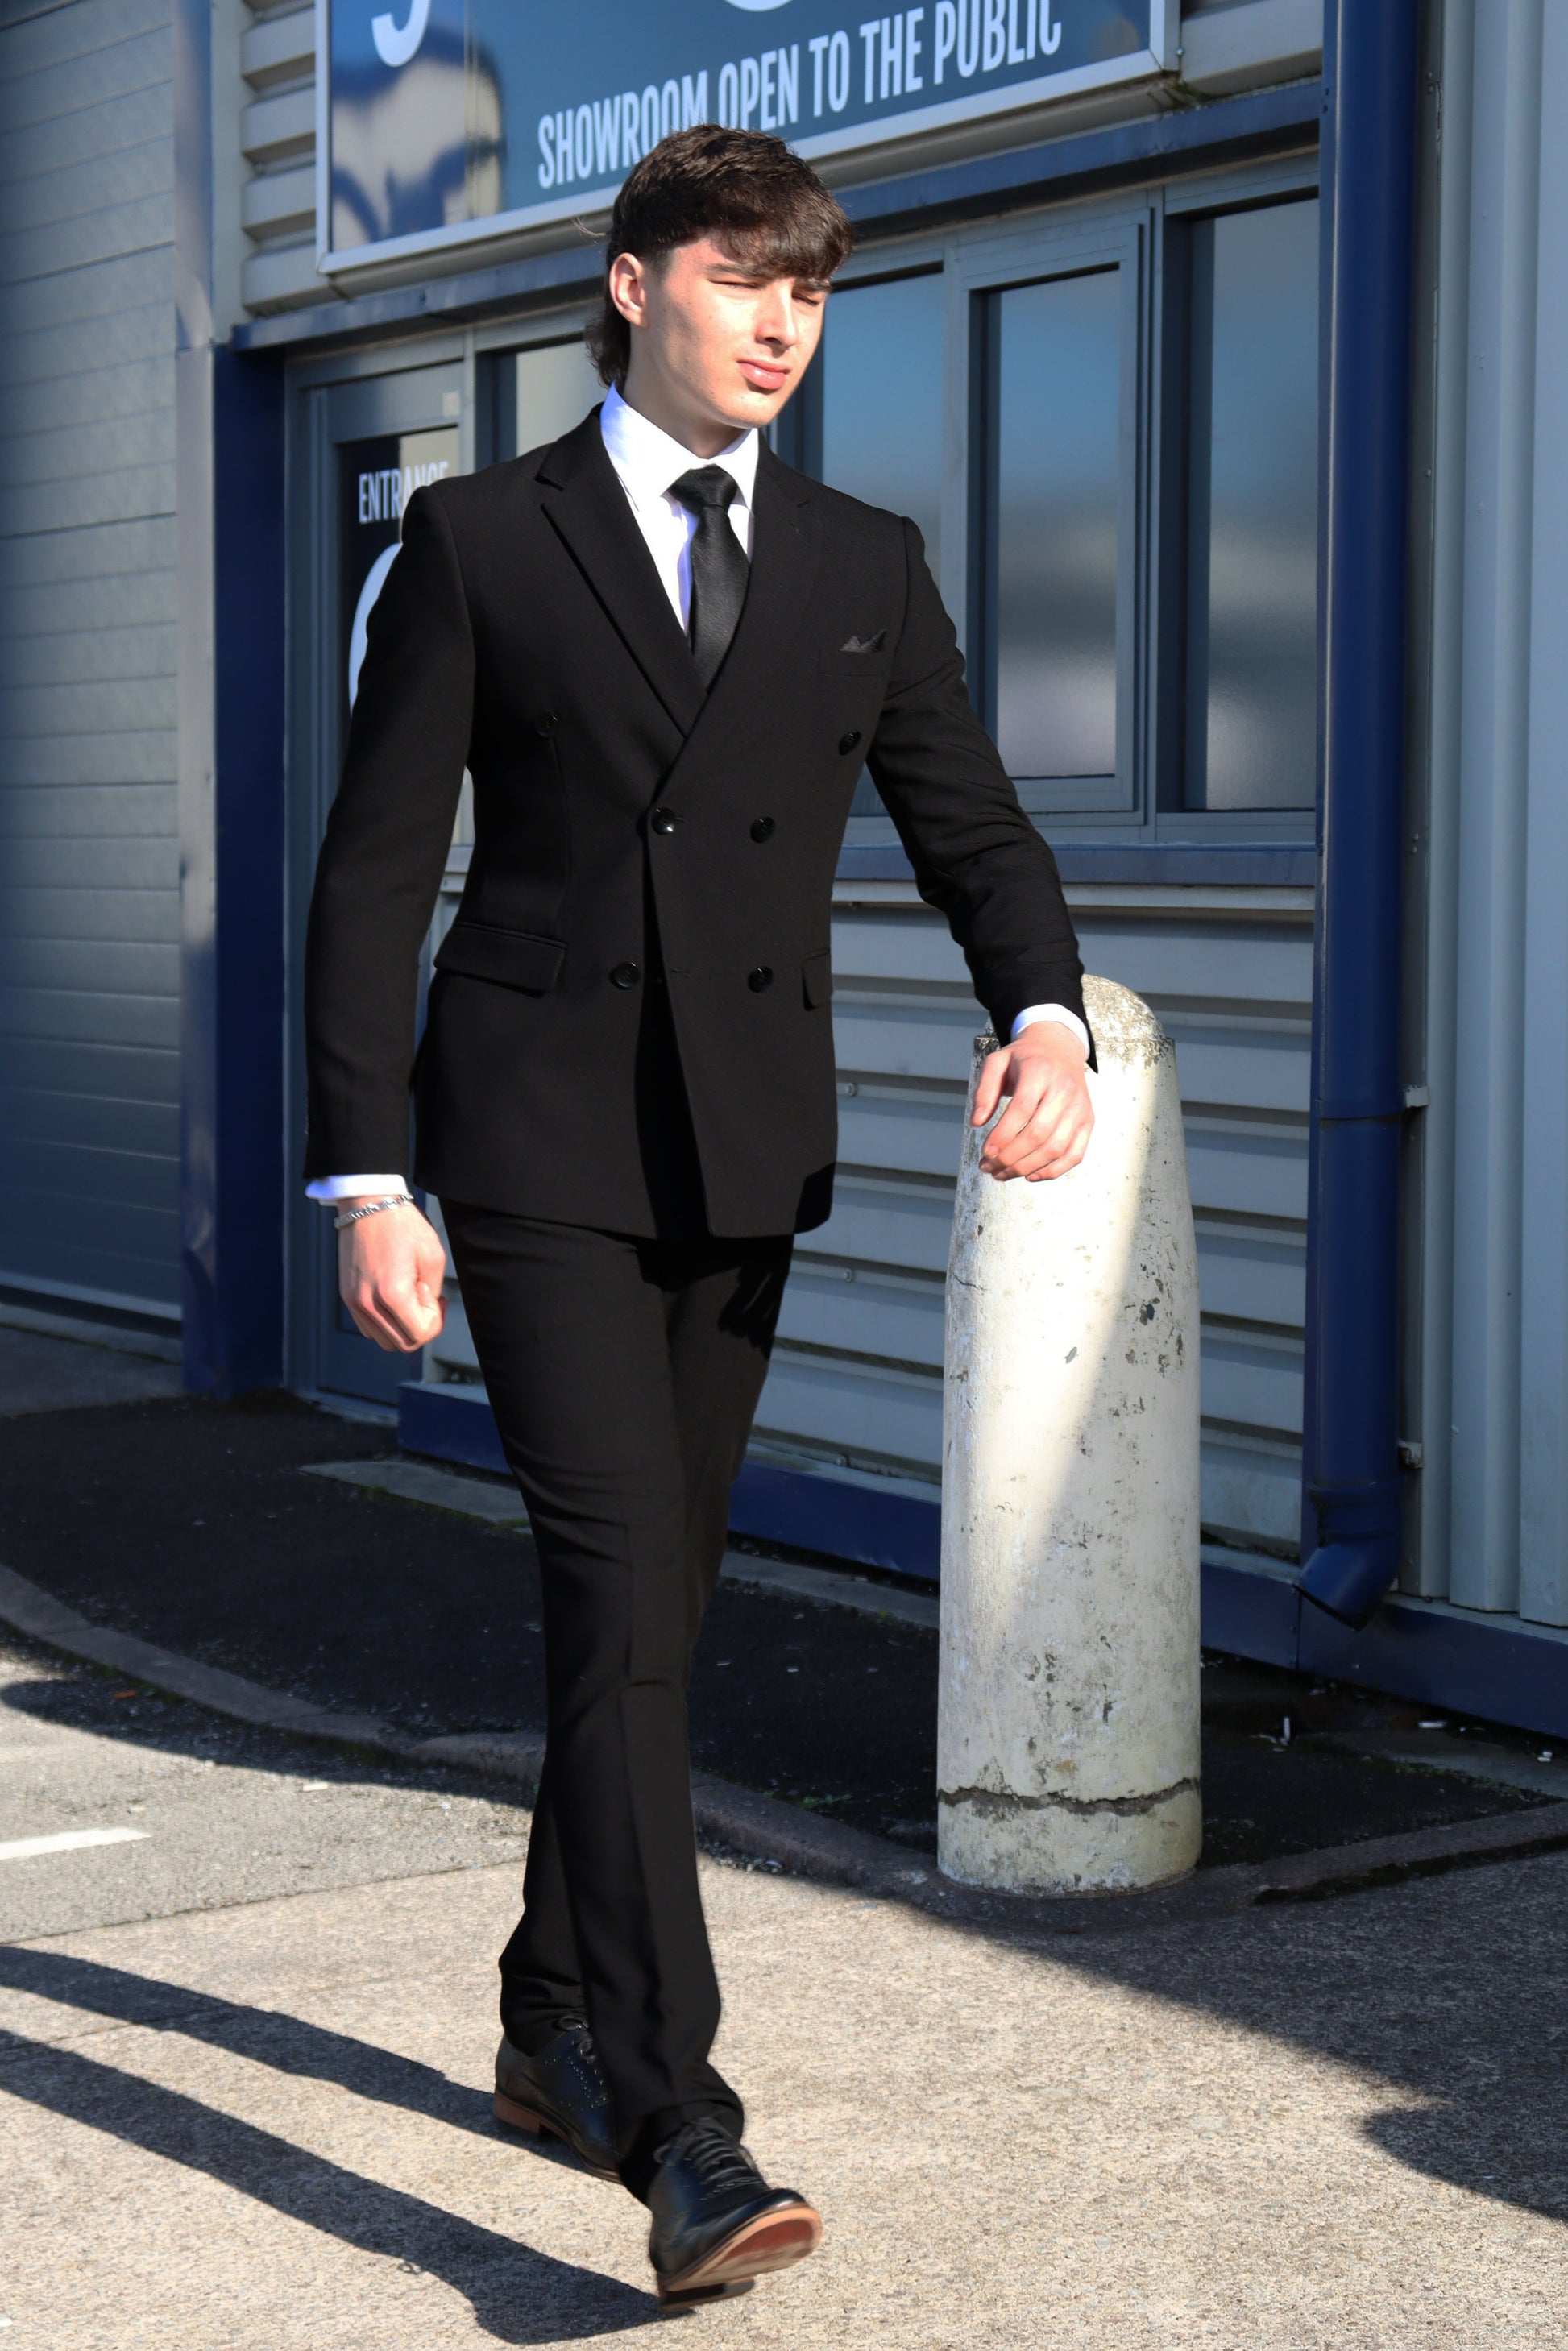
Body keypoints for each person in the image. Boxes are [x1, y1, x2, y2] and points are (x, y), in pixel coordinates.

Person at [302, 124, 1093, 2306]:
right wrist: (366, 1171)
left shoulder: (860, 558)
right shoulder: (480, 541)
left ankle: (548, 2011)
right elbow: (376, 875)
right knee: (620, 1613)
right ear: (632, 280)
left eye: (810, 291)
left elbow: (970, 821)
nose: (780, 323)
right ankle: (677, 2120)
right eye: (745, 277)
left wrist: (1041, 1008)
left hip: (741, 1155)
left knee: (651, 1613)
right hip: (535, 1149)